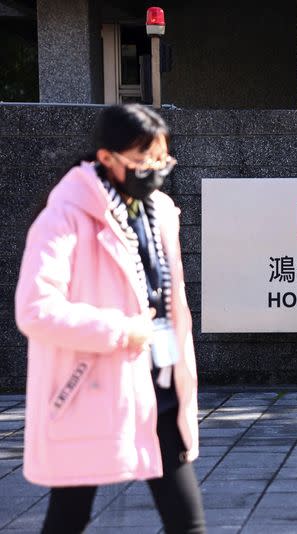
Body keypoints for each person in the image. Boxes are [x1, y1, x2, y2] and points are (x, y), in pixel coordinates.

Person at [15, 104, 206, 533]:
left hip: (159, 382)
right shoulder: (63, 217)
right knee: (70, 514)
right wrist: (120, 331)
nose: (155, 171)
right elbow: (34, 308)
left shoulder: (159, 211)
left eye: (162, 160)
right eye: (143, 161)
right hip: (94, 388)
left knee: (187, 519)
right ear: (106, 158)